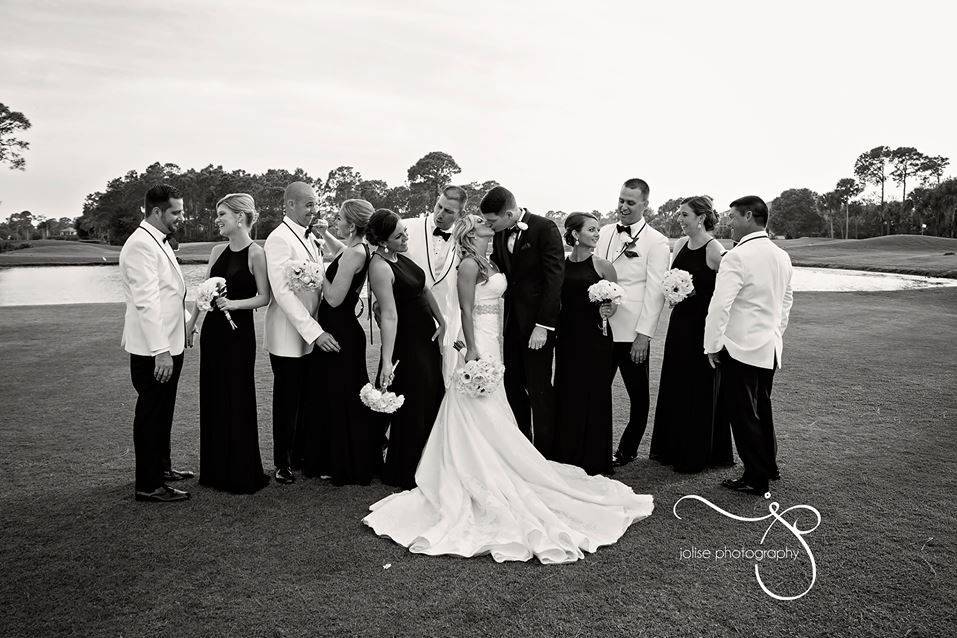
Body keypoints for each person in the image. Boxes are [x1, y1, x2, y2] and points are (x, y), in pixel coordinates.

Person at [363, 215, 653, 564]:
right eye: (485, 226)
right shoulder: (468, 266)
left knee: (496, 405)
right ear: (474, 234)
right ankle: (477, 465)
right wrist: (470, 349)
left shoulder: (492, 259)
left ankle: (504, 456)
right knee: (474, 405)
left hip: (495, 338)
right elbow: (466, 311)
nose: (491, 228)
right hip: (477, 343)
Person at [704, 196, 793, 496]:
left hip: (739, 347)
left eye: (733, 216)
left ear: (750, 216)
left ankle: (756, 478)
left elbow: (720, 306)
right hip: (769, 346)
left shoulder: (736, 257)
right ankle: (769, 465)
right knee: (762, 408)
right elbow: (786, 302)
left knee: (743, 415)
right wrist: (774, 333)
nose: (728, 222)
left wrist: (712, 345)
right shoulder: (781, 255)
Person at [187, 193, 270, 494]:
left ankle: (242, 472)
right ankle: (215, 470)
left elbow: (264, 296)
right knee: (214, 395)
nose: (217, 219)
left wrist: (233, 304)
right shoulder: (216, 250)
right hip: (213, 334)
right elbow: (204, 290)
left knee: (237, 396)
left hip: (238, 336)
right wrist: (192, 323)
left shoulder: (256, 253)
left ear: (239, 217)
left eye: (222, 214)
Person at [118, 183, 193, 502]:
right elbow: (147, 301)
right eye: (175, 212)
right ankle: (148, 485)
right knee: (151, 413)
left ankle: (162, 468)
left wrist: (189, 323)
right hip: (154, 349)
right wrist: (161, 351)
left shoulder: (156, 240)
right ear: (156, 212)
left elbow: (171, 294)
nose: (180, 217)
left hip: (170, 343)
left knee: (163, 412)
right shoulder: (140, 246)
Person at [263, 181, 340, 485]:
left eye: (314, 204)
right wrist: (315, 332)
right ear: (290, 205)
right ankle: (282, 461)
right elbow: (282, 294)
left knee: (307, 397)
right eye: (308, 204)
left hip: (312, 329)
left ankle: (301, 453)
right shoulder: (278, 239)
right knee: (287, 399)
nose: (313, 210)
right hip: (287, 333)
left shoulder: (311, 238)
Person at [649, 196, 732, 472]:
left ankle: (698, 452)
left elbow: (727, 291)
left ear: (700, 218)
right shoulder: (681, 244)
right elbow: (671, 279)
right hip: (680, 323)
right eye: (679, 215)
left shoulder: (714, 249)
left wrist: (697, 296)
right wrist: (674, 293)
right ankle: (671, 447)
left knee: (699, 385)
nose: (680, 220)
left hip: (702, 326)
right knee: (677, 381)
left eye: (684, 215)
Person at [481, 186, 564, 458]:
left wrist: (544, 325)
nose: (489, 226)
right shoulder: (501, 232)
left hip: (539, 327)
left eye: (492, 221)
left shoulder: (545, 228)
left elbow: (554, 279)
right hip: (511, 324)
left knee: (539, 387)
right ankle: (522, 448)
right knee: (513, 385)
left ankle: (546, 452)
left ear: (507, 213)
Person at [366, 209, 446, 489]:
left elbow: (424, 289)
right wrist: (387, 360)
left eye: (404, 232)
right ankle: (402, 470)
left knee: (432, 396)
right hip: (407, 344)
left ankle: (426, 462)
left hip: (427, 339)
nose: (405, 237)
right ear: (383, 240)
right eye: (399, 235)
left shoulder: (400, 256)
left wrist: (442, 320)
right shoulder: (379, 266)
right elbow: (388, 314)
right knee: (414, 405)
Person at [593, 178, 670, 467]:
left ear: (644, 205)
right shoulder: (602, 233)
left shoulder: (657, 241)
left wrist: (644, 335)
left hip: (632, 331)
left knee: (637, 395)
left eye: (631, 202)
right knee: (598, 390)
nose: (623, 207)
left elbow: (655, 292)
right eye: (621, 200)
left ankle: (627, 450)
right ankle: (596, 445)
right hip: (601, 326)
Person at [304, 199, 375, 485]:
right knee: (341, 395)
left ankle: (344, 462)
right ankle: (342, 457)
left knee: (341, 398)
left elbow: (333, 298)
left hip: (339, 331)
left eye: (340, 219)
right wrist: (324, 234)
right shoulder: (359, 249)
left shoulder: (355, 254)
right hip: (345, 329)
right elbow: (340, 252)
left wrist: (314, 270)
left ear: (353, 224)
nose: (336, 221)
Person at [553, 212, 619, 475]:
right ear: (575, 234)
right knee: (568, 392)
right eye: (591, 229)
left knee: (595, 393)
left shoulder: (604, 266)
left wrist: (608, 310)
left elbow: (614, 302)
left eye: (598, 230)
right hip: (568, 338)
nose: (596, 234)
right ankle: (566, 453)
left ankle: (595, 457)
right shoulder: (560, 266)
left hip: (596, 338)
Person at [402, 185, 468, 386]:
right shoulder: (405, 227)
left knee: (444, 377)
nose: (440, 214)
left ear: (460, 213)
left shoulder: (465, 239)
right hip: (409, 318)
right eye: (438, 206)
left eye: (448, 211)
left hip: (449, 319)